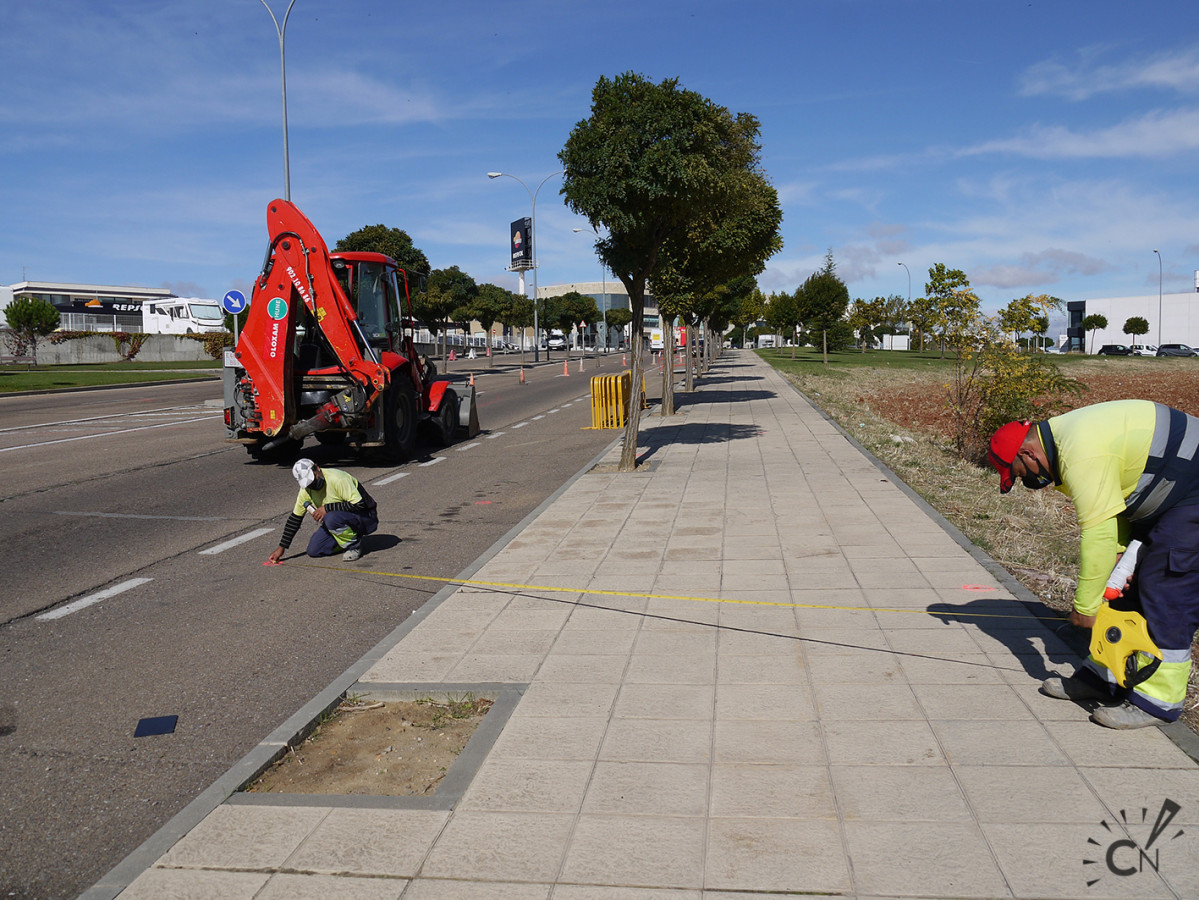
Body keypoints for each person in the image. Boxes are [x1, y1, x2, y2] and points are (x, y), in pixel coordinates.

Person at [988, 399, 1199, 729]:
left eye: (1020, 475)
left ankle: (1158, 702)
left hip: (1191, 492)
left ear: (1028, 454)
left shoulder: (1079, 452)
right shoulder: (1063, 442)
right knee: (1123, 591)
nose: (1029, 484)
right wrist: (1118, 558)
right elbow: (1115, 511)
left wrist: (1085, 607)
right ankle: (1103, 677)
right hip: (1169, 492)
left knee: (1166, 587)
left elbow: (1098, 534)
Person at [267, 459, 378, 564]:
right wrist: (281, 548)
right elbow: (295, 519)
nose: (313, 485)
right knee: (314, 550)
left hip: (366, 517)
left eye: (314, 478)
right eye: (309, 484)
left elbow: (360, 504)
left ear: (317, 468)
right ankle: (346, 540)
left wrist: (327, 508)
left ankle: (354, 546)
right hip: (341, 520)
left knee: (331, 518)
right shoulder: (306, 490)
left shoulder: (337, 478)